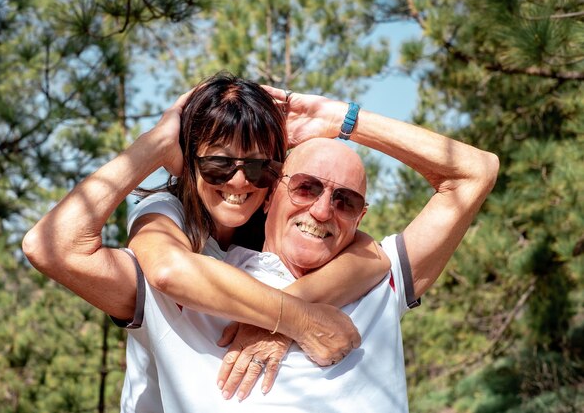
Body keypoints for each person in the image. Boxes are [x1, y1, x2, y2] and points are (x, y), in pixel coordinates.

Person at [22, 73, 391, 404]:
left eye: (259, 166)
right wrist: (155, 145)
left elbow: (372, 254)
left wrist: (344, 121)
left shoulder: (269, 236)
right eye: (219, 163)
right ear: (187, 160)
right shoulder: (167, 214)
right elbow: (161, 267)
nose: (239, 182)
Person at [120, 116, 498, 412]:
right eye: (305, 187)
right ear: (268, 195)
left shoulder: (381, 279)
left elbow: (475, 171)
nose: (321, 210)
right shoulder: (204, 279)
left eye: (345, 201)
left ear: (359, 219)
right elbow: (70, 251)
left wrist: (343, 119)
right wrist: (291, 318)